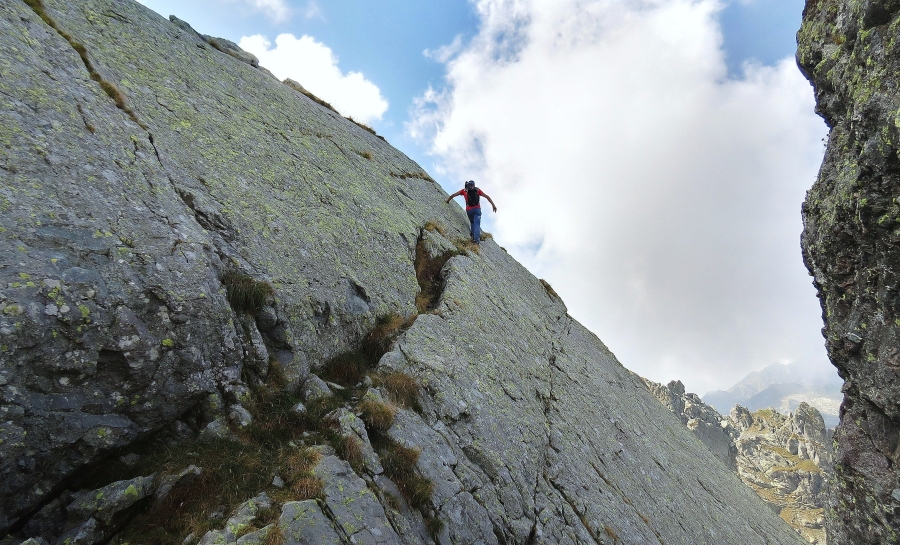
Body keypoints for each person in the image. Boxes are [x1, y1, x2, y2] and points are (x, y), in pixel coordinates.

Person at [446, 180, 497, 244]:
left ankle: (473, 236)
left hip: (469, 210)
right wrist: (493, 205)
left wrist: (447, 201)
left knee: (472, 222)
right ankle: (476, 240)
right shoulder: (477, 190)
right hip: (477, 209)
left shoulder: (464, 191)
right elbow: (487, 197)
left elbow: (453, 195)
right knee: (477, 224)